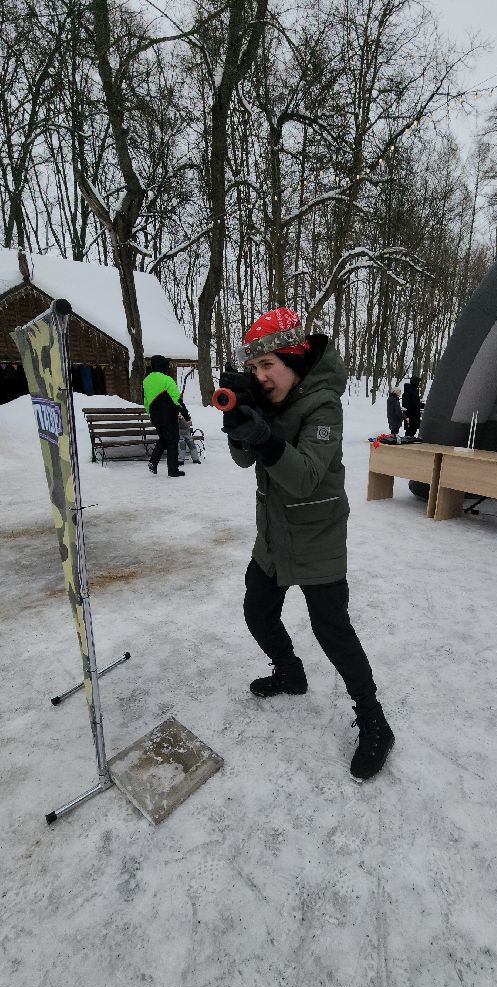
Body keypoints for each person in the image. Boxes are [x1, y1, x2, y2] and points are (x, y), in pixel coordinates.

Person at [222, 307, 394, 782]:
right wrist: (239, 420)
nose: (260, 375)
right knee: (258, 611)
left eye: (267, 364)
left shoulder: (324, 405)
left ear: (294, 360)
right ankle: (290, 672)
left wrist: (263, 436)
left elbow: (305, 478)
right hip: (273, 535)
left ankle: (374, 719)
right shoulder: (268, 399)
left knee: (331, 629)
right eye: (253, 366)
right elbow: (243, 461)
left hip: (317, 535)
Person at [143, 355, 191, 477]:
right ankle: (173, 470)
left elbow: (146, 401)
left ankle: (153, 462)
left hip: (155, 416)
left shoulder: (146, 381)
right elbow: (177, 400)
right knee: (173, 440)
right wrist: (186, 415)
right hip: (168, 415)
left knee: (164, 439)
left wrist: (151, 415)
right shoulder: (167, 380)